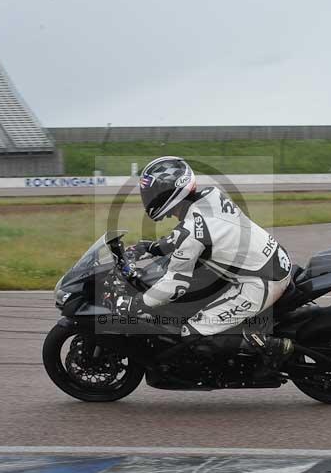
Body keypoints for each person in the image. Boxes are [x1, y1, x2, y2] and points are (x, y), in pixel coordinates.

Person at [117, 156, 294, 371]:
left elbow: (175, 285)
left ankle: (268, 345)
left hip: (259, 282)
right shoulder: (210, 195)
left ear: (168, 192)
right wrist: (148, 248)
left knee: (192, 332)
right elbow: (190, 236)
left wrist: (137, 303)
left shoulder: (190, 231)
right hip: (273, 259)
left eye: (151, 193)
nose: (148, 198)